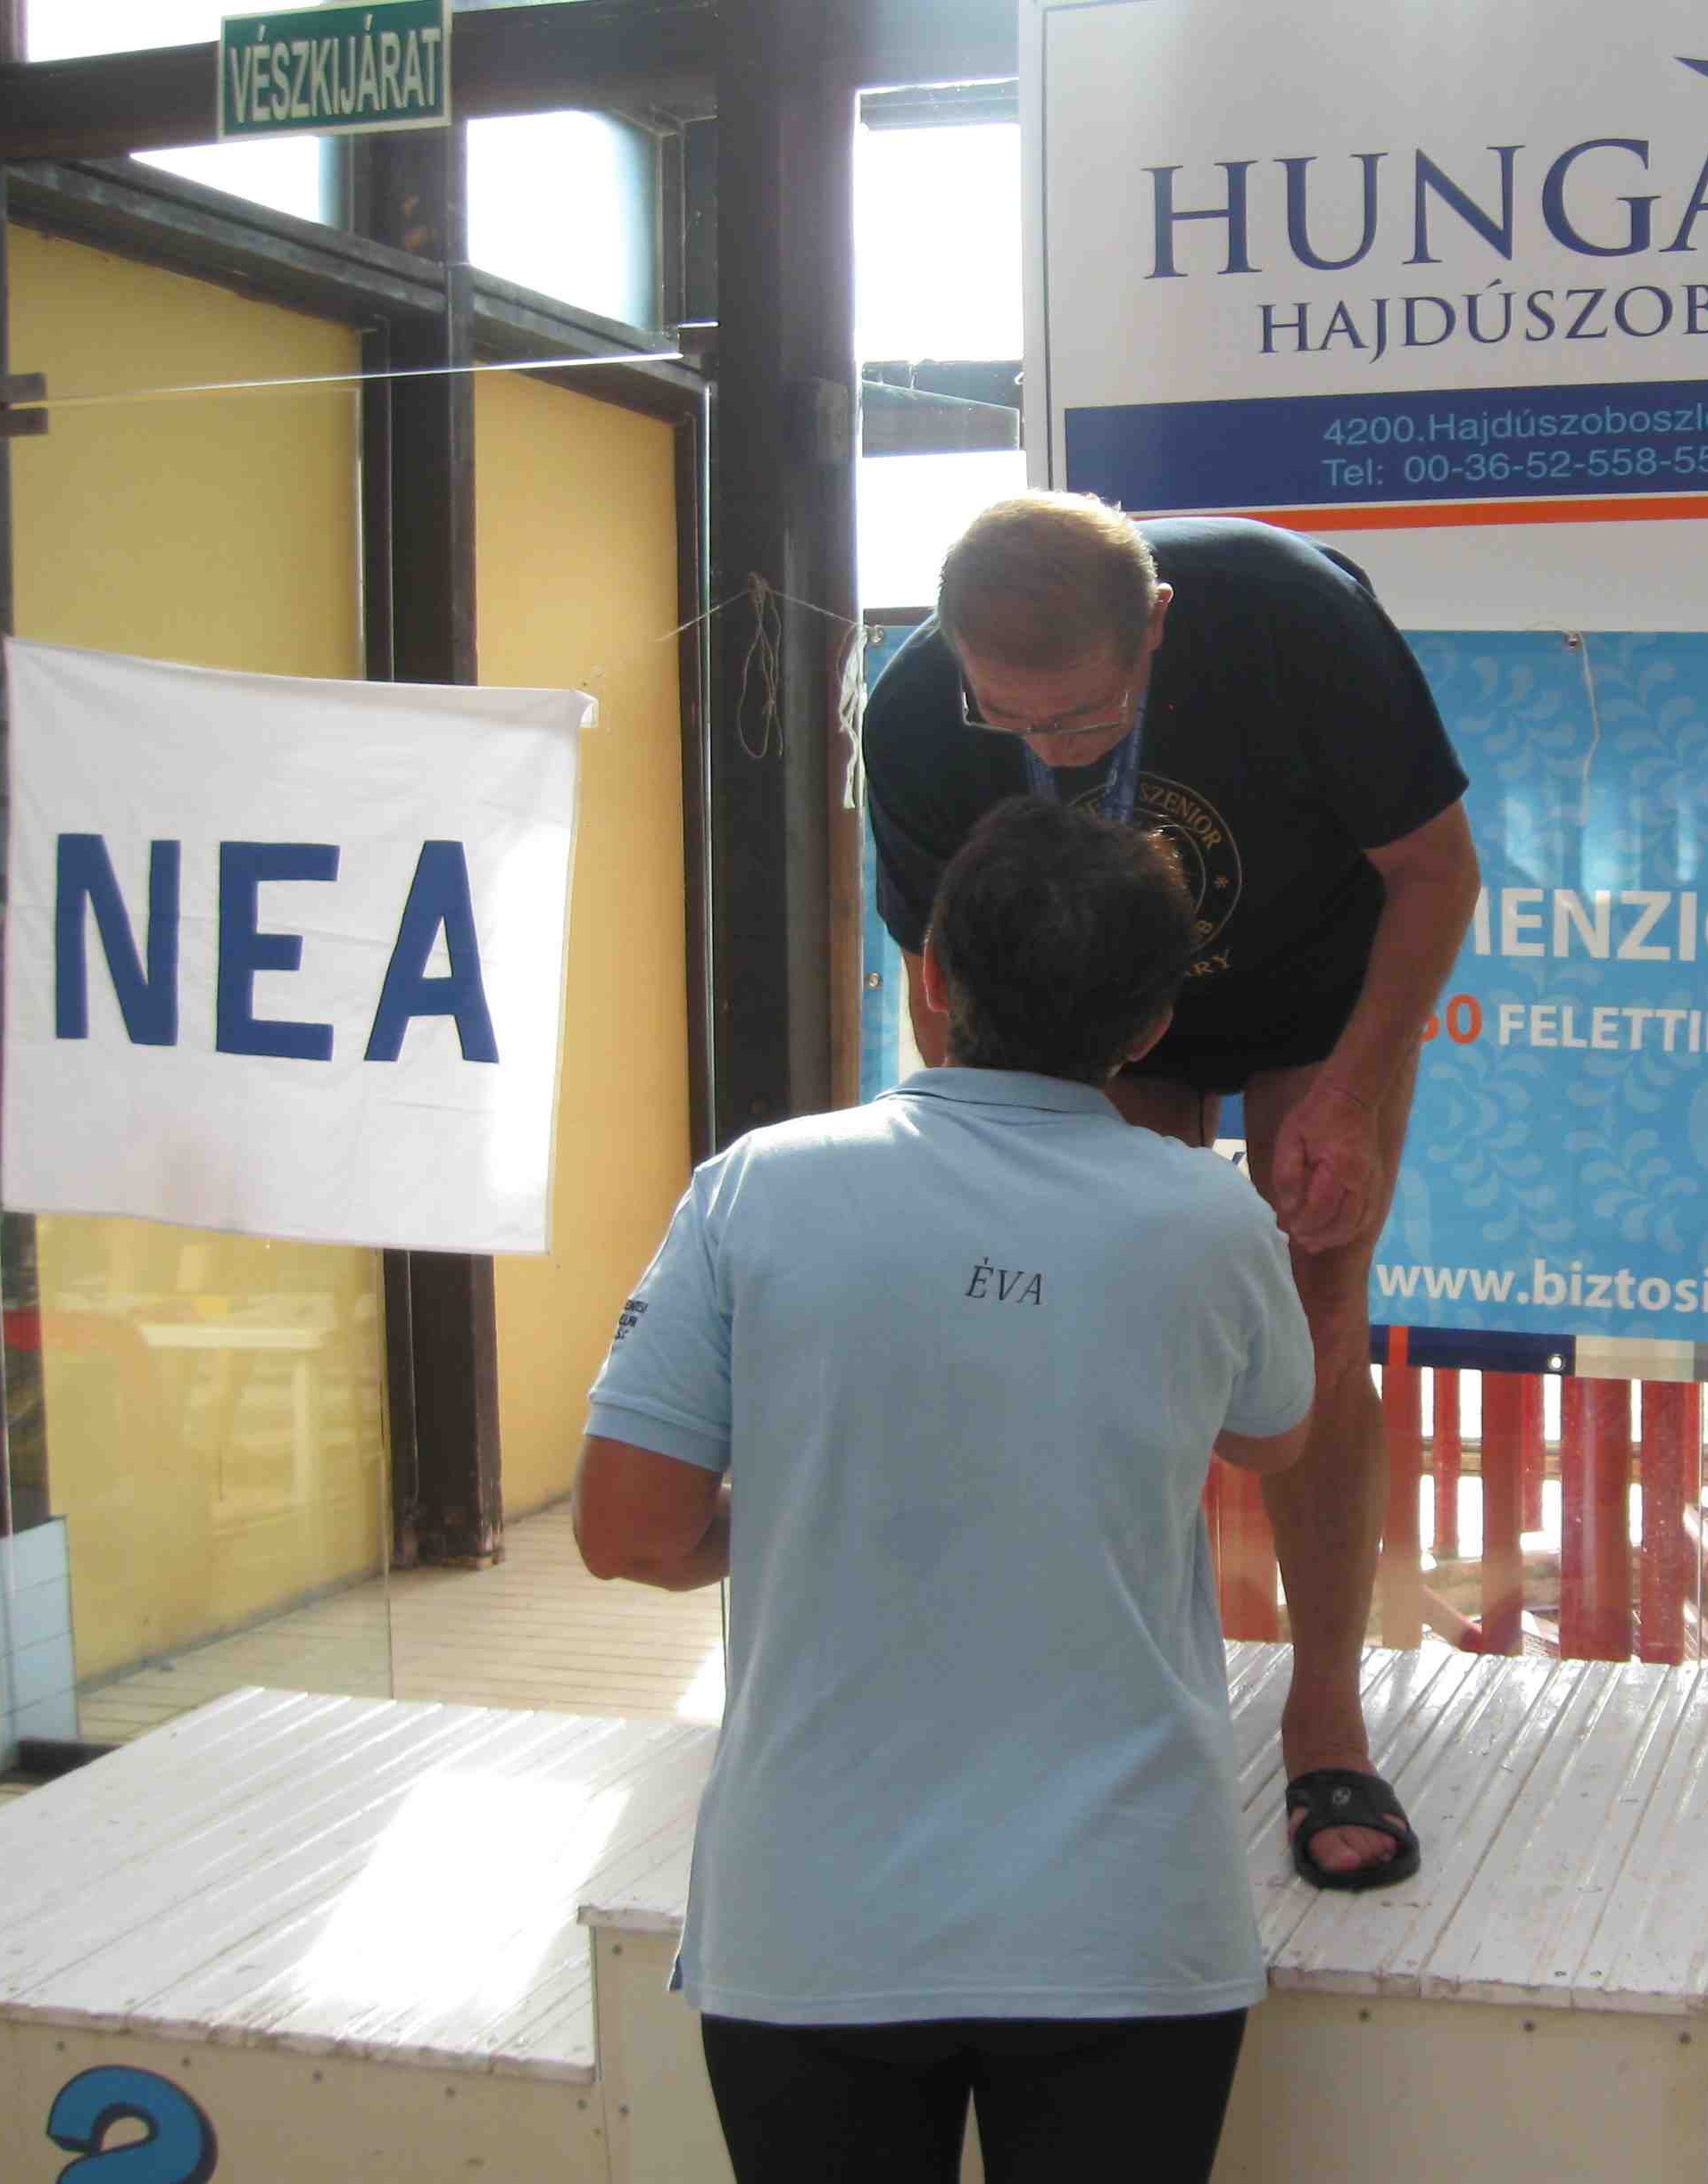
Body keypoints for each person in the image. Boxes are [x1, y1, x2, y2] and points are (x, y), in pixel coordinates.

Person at [572, 796, 1315, 2184]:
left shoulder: (757, 1189)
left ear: (930, 978)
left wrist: (791, 1503)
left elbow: (627, 1531)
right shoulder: (1214, 1219)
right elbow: (1273, 1438)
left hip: (813, 1924)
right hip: (1127, 1923)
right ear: (1151, 1026)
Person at [865, 493, 1480, 1890]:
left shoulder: (1295, 618)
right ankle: (1098, 1687)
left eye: (1084, 718)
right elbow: (943, 977)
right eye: (1007, 716)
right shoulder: (914, 711)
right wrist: (996, 1166)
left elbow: (1436, 872)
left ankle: (1326, 1712)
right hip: (1088, 1001)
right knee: (1087, 1314)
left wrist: (1352, 1093)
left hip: (1314, 988)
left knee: (1315, 1299)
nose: (1045, 749)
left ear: (1155, 628)